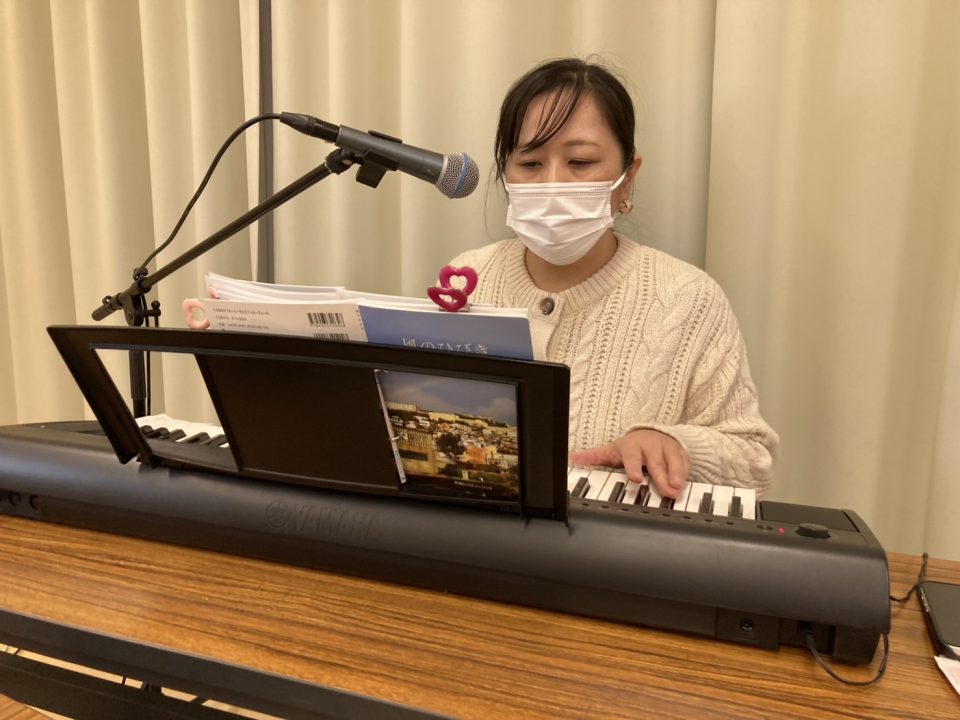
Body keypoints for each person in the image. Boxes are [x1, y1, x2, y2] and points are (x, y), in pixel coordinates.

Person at [448, 57, 779, 499]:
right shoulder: (466, 278)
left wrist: (675, 444)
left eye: (580, 161)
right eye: (530, 163)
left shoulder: (688, 299)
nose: (553, 183)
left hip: (620, 540)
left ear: (627, 178)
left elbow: (753, 462)